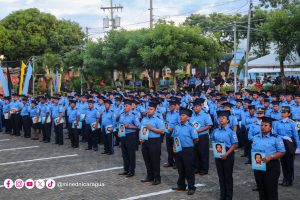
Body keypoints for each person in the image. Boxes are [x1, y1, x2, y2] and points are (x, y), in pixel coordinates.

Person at [252, 117, 285, 200]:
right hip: (258, 166)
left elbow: (282, 151)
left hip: (271, 166)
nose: (263, 127)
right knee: (261, 189)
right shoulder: (256, 137)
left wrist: (271, 157)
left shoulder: (276, 138)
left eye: (265, 125)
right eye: (261, 125)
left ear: (270, 127)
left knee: (271, 191)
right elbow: (253, 150)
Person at [171, 107, 199, 195]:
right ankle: (181, 185)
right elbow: (174, 138)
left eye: (183, 115)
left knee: (189, 169)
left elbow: (196, 139)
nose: (181, 117)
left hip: (188, 150)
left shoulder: (191, 127)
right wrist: (174, 147)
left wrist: (189, 145)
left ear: (188, 117)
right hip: (178, 149)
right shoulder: (176, 126)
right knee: (180, 168)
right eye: (180, 115)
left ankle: (191, 187)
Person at [212, 110, 238, 200]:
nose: (221, 119)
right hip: (218, 153)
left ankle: (228, 197)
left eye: (223, 118)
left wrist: (226, 154)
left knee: (227, 176)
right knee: (221, 176)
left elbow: (234, 144)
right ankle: (222, 196)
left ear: (228, 120)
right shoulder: (215, 130)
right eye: (220, 118)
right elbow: (213, 140)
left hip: (228, 153)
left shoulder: (231, 131)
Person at [273, 106, 300, 186]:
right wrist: (283, 137)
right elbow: (275, 133)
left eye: (284, 112)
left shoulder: (292, 123)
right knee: (283, 162)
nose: (282, 113)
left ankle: (289, 180)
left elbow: (295, 136)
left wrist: (298, 147)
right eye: (282, 112)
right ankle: (285, 179)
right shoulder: (277, 123)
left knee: (290, 163)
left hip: (290, 145)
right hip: (281, 144)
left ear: (288, 114)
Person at [140, 101, 164, 185]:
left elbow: (162, 131)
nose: (149, 110)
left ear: (155, 110)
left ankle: (157, 178)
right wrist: (141, 138)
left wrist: (152, 128)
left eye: (151, 109)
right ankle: (150, 176)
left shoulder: (158, 119)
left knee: (155, 160)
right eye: (148, 109)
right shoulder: (144, 119)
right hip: (145, 141)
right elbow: (142, 129)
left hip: (154, 141)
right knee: (147, 160)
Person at [190, 98, 213, 175]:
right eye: (194, 106)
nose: (195, 108)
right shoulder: (192, 115)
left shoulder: (205, 115)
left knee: (203, 153)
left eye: (197, 106)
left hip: (202, 136)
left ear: (200, 106)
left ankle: (204, 169)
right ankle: (196, 168)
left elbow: (209, 125)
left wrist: (199, 131)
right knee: (195, 153)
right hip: (194, 137)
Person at [118, 100, 140, 177]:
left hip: (131, 135)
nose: (125, 107)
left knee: (131, 154)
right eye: (124, 106)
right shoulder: (122, 115)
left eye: (126, 106)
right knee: (124, 154)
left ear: (130, 106)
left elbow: (138, 126)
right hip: (123, 135)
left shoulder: (134, 115)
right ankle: (126, 169)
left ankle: (131, 171)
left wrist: (129, 126)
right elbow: (120, 124)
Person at [163, 100, 180, 168]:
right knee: (169, 148)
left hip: (175, 133)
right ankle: (170, 162)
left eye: (172, 106)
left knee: (175, 148)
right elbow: (166, 122)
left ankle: (177, 163)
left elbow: (179, 124)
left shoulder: (178, 114)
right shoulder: (168, 113)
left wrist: (173, 128)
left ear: (175, 106)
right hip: (168, 133)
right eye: (169, 106)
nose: (170, 107)